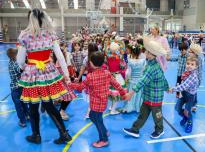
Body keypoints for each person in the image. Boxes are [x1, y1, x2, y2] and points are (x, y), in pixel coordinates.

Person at [16, 8, 71, 144]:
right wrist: (67, 75)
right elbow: (60, 57)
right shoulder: (50, 35)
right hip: (48, 73)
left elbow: (20, 61)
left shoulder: (24, 35)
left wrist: (27, 68)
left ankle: (36, 135)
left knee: (33, 106)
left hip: (32, 75)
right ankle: (63, 133)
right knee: (49, 105)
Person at [69, 51, 127, 148]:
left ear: (91, 63)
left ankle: (104, 139)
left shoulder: (90, 76)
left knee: (98, 120)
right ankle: (104, 131)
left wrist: (70, 84)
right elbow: (116, 84)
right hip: (103, 102)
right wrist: (123, 93)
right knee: (93, 116)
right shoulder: (107, 73)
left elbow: (80, 87)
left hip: (96, 104)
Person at [123, 36, 169, 139]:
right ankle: (135, 130)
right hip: (148, 96)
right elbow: (163, 78)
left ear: (152, 55)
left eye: (147, 52)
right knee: (143, 115)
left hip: (155, 98)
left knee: (157, 115)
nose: (145, 53)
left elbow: (142, 81)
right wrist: (167, 88)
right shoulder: (150, 64)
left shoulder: (153, 67)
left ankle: (159, 130)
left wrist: (131, 93)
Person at [169, 56, 199, 133]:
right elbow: (182, 83)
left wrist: (173, 89)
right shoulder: (187, 72)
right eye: (188, 63)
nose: (189, 65)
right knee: (177, 108)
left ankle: (190, 122)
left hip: (190, 96)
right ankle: (186, 117)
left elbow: (184, 86)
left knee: (187, 111)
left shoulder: (193, 76)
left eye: (192, 64)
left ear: (196, 66)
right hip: (184, 93)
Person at [7, 48, 29, 128]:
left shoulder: (11, 63)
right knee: (22, 103)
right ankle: (27, 116)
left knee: (19, 105)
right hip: (19, 87)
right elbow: (20, 70)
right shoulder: (15, 64)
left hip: (15, 88)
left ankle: (23, 121)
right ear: (15, 55)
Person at [122, 44, 146, 113]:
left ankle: (129, 107)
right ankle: (138, 107)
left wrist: (126, 79)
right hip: (140, 81)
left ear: (132, 53)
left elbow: (128, 73)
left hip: (132, 81)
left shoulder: (130, 61)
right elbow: (144, 71)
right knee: (139, 95)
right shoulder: (143, 61)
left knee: (131, 94)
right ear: (139, 53)